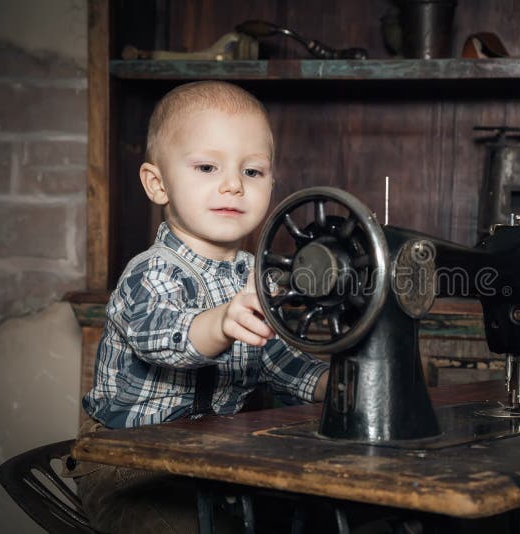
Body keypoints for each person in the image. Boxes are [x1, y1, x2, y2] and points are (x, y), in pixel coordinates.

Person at [70, 81, 330, 533]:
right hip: (127, 462)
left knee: (308, 515)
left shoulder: (259, 277)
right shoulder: (149, 273)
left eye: (252, 172)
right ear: (157, 184)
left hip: (213, 457)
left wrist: (340, 385)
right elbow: (163, 340)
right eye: (208, 167)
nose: (232, 184)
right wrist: (222, 323)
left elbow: (281, 362)